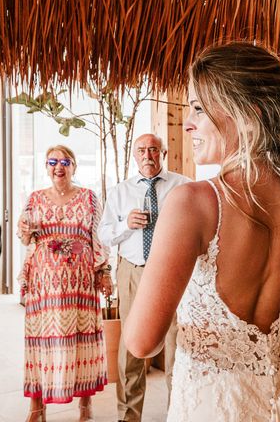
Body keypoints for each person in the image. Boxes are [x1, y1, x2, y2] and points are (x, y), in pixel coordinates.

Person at [123, 42, 280, 421]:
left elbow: (141, 340)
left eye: (199, 109)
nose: (188, 123)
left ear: (247, 115)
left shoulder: (193, 202)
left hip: (215, 404)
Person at [98, 133, 191, 422]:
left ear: (163, 153)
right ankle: (128, 416)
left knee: (177, 344)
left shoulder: (183, 186)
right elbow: (104, 234)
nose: (147, 155)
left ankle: (177, 413)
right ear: (135, 155)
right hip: (133, 271)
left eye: (153, 149)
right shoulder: (119, 192)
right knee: (131, 344)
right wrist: (126, 224)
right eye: (141, 150)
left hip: (174, 272)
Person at [17, 144, 112, 422]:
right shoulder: (34, 199)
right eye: (52, 162)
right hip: (44, 281)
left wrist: (103, 271)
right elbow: (25, 238)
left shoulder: (89, 197)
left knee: (82, 340)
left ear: (74, 166)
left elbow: (98, 237)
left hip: (80, 282)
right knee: (40, 341)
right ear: (46, 167)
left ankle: (85, 407)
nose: (59, 166)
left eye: (65, 161)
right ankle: (37, 408)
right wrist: (23, 232)